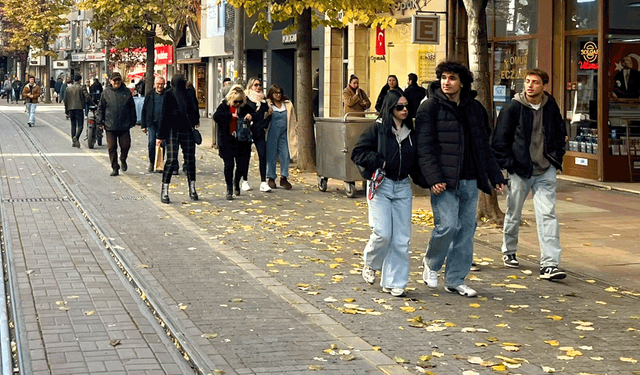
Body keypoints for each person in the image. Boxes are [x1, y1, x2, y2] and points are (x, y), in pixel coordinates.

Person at [415, 61, 505, 297]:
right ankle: (431, 263)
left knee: (466, 230)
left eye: (452, 78)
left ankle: (455, 279)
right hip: (443, 181)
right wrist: (433, 177)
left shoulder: (474, 108)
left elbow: (482, 146)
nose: (447, 82)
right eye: (444, 77)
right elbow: (424, 147)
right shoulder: (429, 107)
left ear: (462, 82)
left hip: (469, 179)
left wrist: (495, 175)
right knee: (447, 226)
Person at [491, 68, 568, 280]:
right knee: (514, 212)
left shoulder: (550, 106)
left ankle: (550, 264)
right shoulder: (513, 107)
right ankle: (509, 251)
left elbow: (559, 132)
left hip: (545, 169)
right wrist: (509, 164)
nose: (529, 85)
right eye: (527, 81)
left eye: (535, 82)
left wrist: (555, 158)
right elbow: (499, 140)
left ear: (544, 85)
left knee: (547, 215)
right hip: (520, 170)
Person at [351, 90, 427, 297]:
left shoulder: (411, 132)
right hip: (381, 185)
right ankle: (370, 262)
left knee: (401, 238)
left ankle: (395, 282)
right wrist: (381, 161)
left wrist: (430, 181)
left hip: (402, 186)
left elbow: (417, 162)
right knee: (383, 233)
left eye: (406, 106)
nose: (404, 110)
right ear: (390, 108)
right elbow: (357, 153)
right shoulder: (377, 129)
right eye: (399, 107)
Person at [156, 74, 200, 203]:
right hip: (173, 130)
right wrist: (160, 135)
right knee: (171, 159)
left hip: (185, 130)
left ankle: (192, 188)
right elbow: (163, 115)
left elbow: (194, 109)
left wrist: (194, 121)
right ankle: (165, 189)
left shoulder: (188, 93)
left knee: (190, 159)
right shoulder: (169, 95)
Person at [213, 85, 254, 200]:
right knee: (229, 165)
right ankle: (229, 188)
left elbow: (256, 114)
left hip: (242, 141)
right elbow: (216, 117)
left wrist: (251, 116)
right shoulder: (224, 107)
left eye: (240, 102)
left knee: (242, 165)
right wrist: (230, 116)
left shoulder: (245, 107)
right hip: (227, 140)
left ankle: (237, 181)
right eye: (235, 102)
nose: (238, 104)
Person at [96, 72, 137, 176]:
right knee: (111, 148)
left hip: (124, 125)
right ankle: (115, 167)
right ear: (111, 81)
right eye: (115, 80)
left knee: (126, 145)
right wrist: (100, 121)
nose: (117, 82)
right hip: (110, 125)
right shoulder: (106, 92)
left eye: (118, 80)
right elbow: (101, 107)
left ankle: (123, 159)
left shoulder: (126, 92)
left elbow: (132, 107)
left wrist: (133, 120)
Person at [243, 77, 272, 192]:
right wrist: (247, 118)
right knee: (245, 156)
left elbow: (267, 115)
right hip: (248, 130)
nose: (258, 87)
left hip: (259, 130)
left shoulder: (264, 100)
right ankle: (245, 180)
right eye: (255, 85)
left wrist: (264, 123)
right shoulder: (246, 99)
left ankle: (263, 181)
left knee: (262, 155)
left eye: (260, 85)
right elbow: (241, 112)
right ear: (250, 86)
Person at [265, 84, 296, 190]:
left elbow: (292, 118)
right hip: (272, 132)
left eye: (279, 93)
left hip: (285, 132)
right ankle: (271, 177)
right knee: (271, 155)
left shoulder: (287, 104)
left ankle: (284, 177)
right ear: (271, 94)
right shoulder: (268, 104)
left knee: (285, 154)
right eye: (275, 93)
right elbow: (263, 116)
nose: (278, 95)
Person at [141, 76, 167, 172]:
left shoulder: (167, 95)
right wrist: (143, 125)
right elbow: (144, 109)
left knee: (162, 144)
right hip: (151, 123)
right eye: (158, 84)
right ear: (155, 84)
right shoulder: (150, 95)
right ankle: (152, 162)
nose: (160, 86)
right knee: (151, 143)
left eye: (161, 84)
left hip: (163, 124)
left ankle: (159, 164)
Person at [64, 74, 91, 147]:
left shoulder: (68, 88)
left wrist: (66, 111)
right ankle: (76, 137)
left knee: (73, 125)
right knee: (80, 125)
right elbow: (87, 97)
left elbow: (65, 100)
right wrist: (92, 104)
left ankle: (73, 141)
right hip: (79, 108)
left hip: (71, 109)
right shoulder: (82, 87)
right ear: (80, 80)